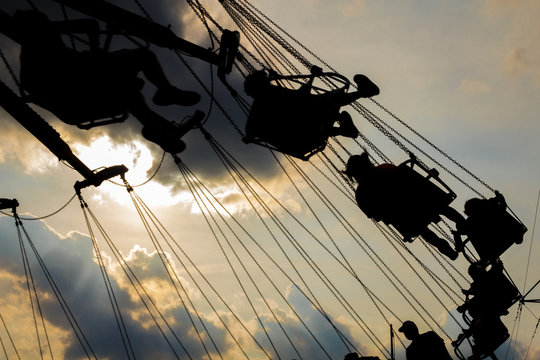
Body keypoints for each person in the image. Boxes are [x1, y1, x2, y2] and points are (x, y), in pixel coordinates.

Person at [14, 10, 200, 153]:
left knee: (134, 77)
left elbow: (89, 26)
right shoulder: (39, 64)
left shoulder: (48, 41)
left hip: (89, 88)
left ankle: (162, 110)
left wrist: (93, 51)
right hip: (79, 99)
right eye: (42, 21)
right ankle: (158, 120)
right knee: (130, 83)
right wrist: (94, 57)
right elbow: (64, 81)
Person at [345, 152, 464, 260]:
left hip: (407, 219)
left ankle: (442, 246)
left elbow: (376, 216)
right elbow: (410, 176)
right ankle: (463, 224)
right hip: (425, 199)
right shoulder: (384, 168)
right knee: (442, 208)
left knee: (422, 230)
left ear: (354, 175)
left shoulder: (361, 194)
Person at [243, 68, 379, 158]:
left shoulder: (271, 95)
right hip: (300, 135)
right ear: (259, 86)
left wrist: (313, 77)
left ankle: (345, 128)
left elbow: (300, 96)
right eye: (266, 82)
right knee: (326, 102)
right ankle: (360, 95)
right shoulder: (265, 101)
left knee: (326, 102)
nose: (269, 84)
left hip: (307, 128)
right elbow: (300, 96)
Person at [453, 191, 527, 260]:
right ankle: (517, 234)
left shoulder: (470, 223)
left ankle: (516, 235)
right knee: (501, 213)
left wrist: (457, 238)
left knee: (478, 235)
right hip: (507, 233)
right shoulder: (490, 205)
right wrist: (499, 196)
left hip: (490, 248)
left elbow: (459, 230)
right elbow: (502, 203)